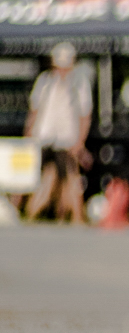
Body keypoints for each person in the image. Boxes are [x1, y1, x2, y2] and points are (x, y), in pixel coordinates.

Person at [25, 43, 93, 223]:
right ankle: (35, 214)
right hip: (45, 137)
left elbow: (84, 115)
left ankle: (75, 217)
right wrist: (29, 134)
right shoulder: (45, 81)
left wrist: (80, 141)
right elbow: (35, 110)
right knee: (49, 177)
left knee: (70, 177)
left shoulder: (79, 83)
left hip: (67, 139)